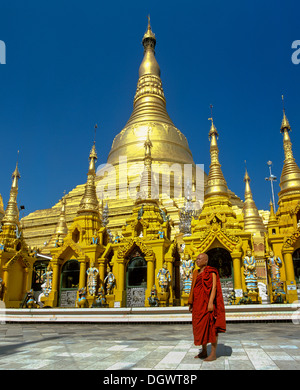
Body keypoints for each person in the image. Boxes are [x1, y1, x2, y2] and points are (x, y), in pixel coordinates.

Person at [188, 253, 226, 362]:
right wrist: (191, 303)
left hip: (207, 304)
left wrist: (210, 303)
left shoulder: (211, 271)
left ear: (206, 260)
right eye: (196, 259)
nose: (197, 261)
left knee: (211, 327)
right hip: (197, 304)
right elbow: (193, 289)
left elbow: (214, 287)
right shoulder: (196, 273)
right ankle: (204, 351)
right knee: (200, 327)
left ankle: (213, 354)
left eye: (199, 259)